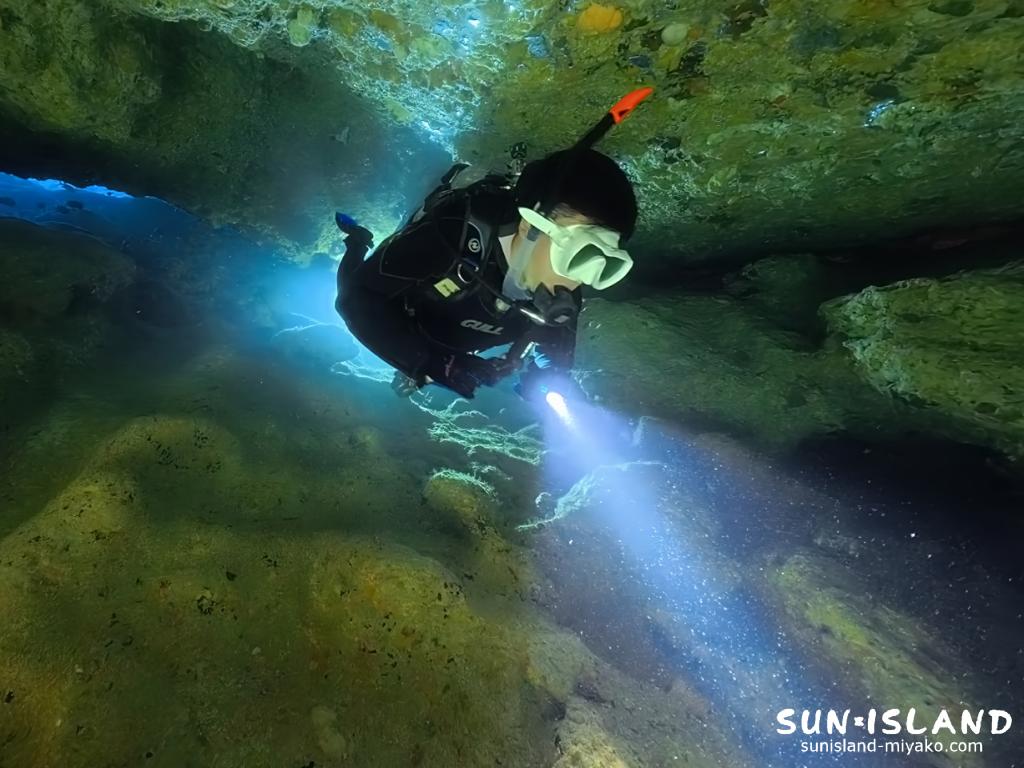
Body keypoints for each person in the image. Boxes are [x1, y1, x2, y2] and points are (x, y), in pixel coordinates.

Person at [333, 147, 639, 401]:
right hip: (400, 311)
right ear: (529, 226)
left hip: (454, 345)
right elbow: (356, 299)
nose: (578, 281)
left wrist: (541, 376)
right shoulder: (455, 235)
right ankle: (358, 240)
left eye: (604, 265)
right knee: (348, 284)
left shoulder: (562, 286)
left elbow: (551, 349)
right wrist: (429, 363)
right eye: (579, 255)